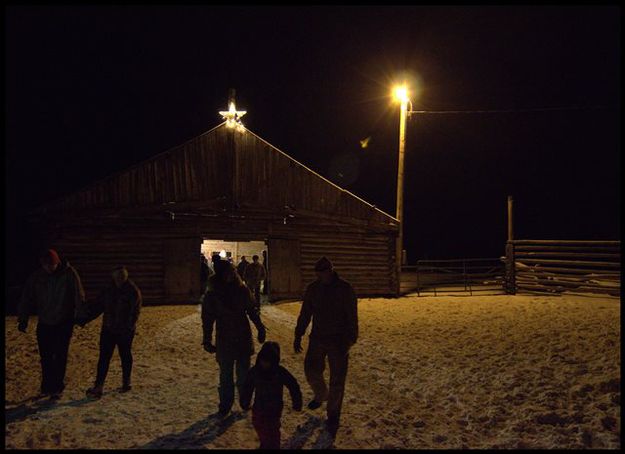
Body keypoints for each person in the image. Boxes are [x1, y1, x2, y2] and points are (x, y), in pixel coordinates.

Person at [293, 257, 358, 438]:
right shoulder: (313, 289)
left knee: (337, 380)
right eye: (318, 273)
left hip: (338, 340)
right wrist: (298, 333)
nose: (321, 275)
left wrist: (350, 339)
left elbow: (352, 316)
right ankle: (321, 394)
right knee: (311, 370)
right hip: (318, 338)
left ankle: (333, 415)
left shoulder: (345, 289)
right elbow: (306, 312)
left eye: (324, 272)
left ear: (330, 270)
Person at [17, 249, 86, 400]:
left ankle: (57, 387)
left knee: (60, 355)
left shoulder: (68, 274)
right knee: (46, 356)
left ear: (57, 263)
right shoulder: (37, 277)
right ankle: (47, 385)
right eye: (46, 265)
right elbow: (27, 297)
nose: (49, 268)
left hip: (63, 321)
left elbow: (78, 294)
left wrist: (80, 315)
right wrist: (23, 318)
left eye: (51, 265)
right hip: (45, 321)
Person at [202, 261, 267, 416]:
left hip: (242, 335)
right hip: (224, 337)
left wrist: (260, 327)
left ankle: (244, 401)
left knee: (244, 373)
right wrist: (206, 339)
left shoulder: (242, 290)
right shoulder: (213, 294)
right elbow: (208, 318)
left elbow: (251, 310)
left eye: (232, 271)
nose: (231, 274)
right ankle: (225, 404)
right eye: (228, 272)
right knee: (225, 375)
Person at [79, 266, 142, 398]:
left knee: (125, 355)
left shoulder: (132, 291)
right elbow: (98, 306)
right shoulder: (108, 290)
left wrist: (129, 326)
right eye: (117, 276)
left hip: (124, 330)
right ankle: (99, 385)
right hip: (109, 328)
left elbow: (134, 312)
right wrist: (85, 318)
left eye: (121, 276)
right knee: (104, 357)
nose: (119, 278)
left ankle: (126, 381)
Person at [240, 341, 302, 449]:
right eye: (263, 360)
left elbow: (293, 385)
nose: (265, 363)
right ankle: (265, 444)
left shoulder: (280, 372)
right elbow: (247, 386)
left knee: (273, 433)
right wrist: (245, 400)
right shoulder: (255, 371)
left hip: (274, 409)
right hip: (259, 407)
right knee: (260, 427)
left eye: (268, 361)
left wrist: (297, 401)